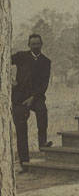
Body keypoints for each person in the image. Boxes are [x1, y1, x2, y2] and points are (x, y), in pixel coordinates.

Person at [12, 33, 52, 173]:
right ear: (29, 45)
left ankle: (42, 143)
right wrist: (10, 79)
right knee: (21, 130)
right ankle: (24, 163)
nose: (35, 46)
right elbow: (3, 60)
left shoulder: (46, 62)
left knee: (42, 112)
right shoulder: (21, 56)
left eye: (38, 43)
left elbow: (44, 84)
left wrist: (33, 97)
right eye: (33, 44)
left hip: (36, 97)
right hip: (19, 98)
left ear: (41, 44)